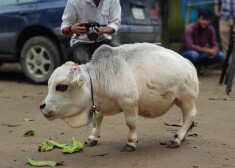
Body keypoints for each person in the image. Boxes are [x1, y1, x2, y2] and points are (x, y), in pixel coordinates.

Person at [179, 9, 225, 75]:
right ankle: (190, 69)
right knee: (194, 54)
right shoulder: (190, 28)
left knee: (221, 55)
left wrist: (215, 51)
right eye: (203, 19)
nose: (205, 22)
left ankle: (199, 67)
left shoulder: (210, 29)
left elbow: (214, 43)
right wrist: (208, 51)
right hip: (186, 53)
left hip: (200, 54)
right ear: (198, 19)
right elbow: (190, 46)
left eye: (207, 20)